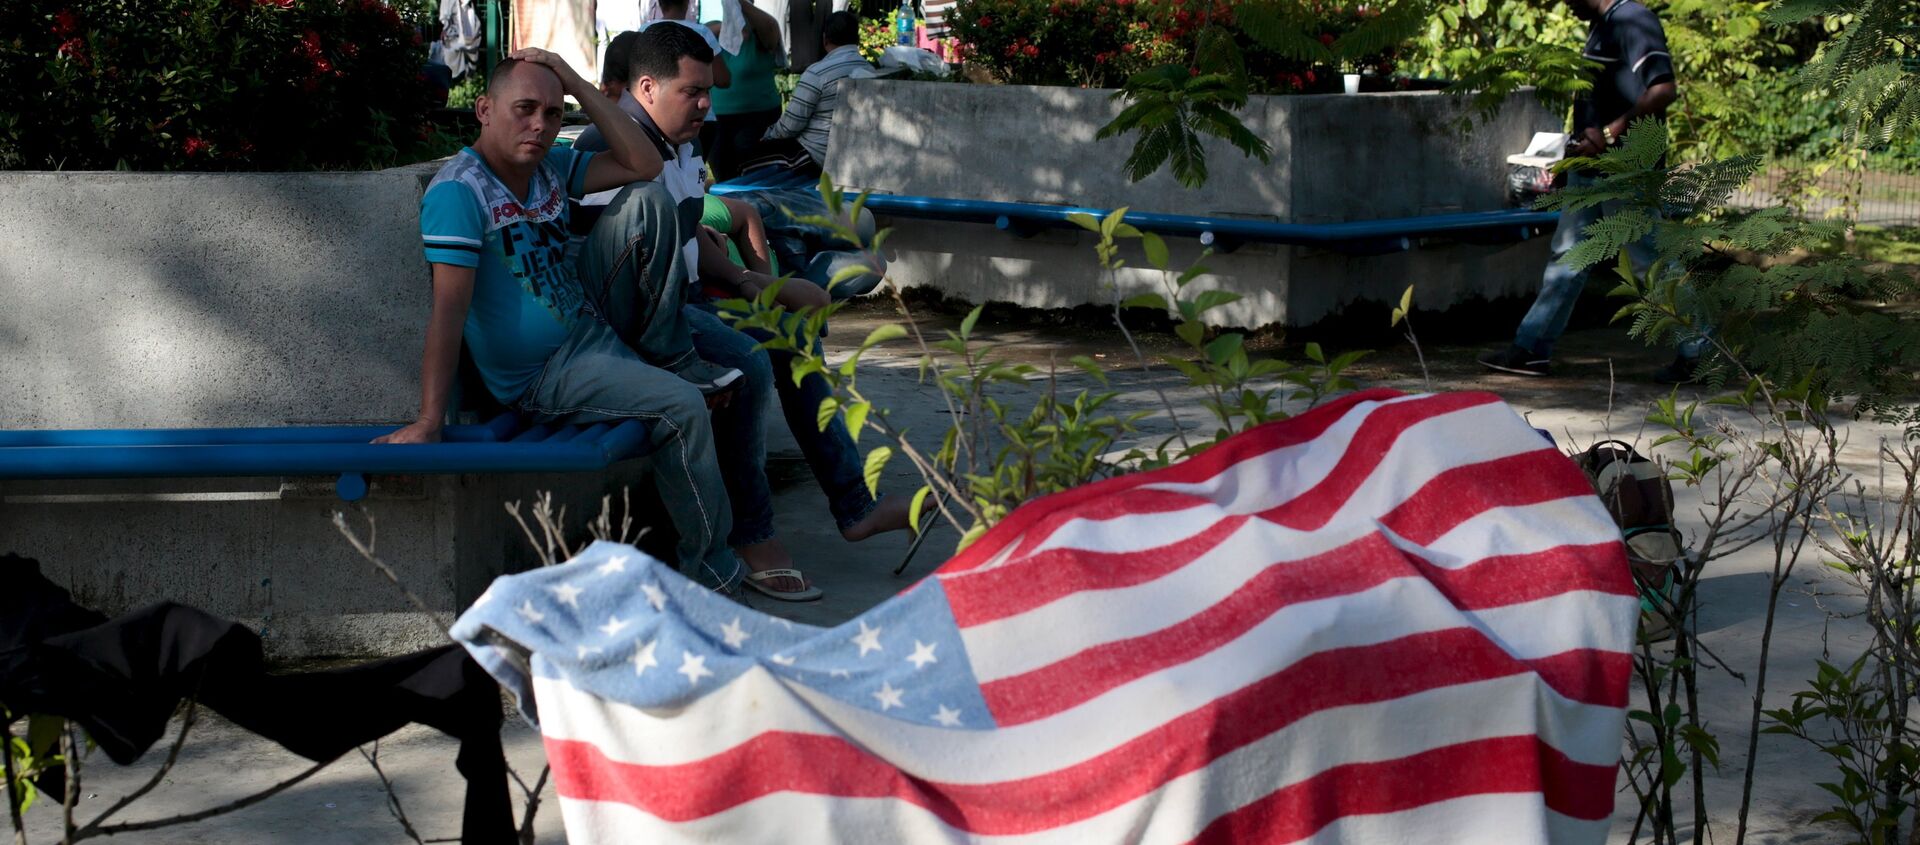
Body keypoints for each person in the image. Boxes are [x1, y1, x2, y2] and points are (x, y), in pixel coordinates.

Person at [378, 50, 747, 591]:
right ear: (483, 109)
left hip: (589, 322)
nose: (540, 125)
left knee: (647, 199)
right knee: (684, 406)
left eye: (553, 114)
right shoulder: (460, 192)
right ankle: (712, 568)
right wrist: (430, 421)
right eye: (524, 109)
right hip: (543, 374)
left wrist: (573, 80)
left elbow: (647, 166)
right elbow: (448, 312)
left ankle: (674, 357)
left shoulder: (548, 166)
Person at [574, 24, 912, 601]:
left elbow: (688, 233)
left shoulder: (676, 140)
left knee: (792, 334)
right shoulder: (611, 148)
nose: (708, 104)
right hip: (632, 321)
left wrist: (754, 283)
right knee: (750, 363)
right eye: (694, 92)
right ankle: (753, 539)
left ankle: (855, 508)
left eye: (708, 90)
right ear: (648, 87)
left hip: (690, 299)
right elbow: (629, 271)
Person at [1477, 0, 1693, 382]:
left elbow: (1663, 88)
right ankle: (1531, 348)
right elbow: (1595, 102)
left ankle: (1702, 353)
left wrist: (1610, 133)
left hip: (1626, 167)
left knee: (1649, 260)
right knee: (1568, 258)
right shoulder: (1602, 25)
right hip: (1590, 170)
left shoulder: (1632, 19)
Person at [753, 10, 872, 176]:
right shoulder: (870, 70)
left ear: (825, 39)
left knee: (746, 158)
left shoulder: (818, 73)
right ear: (857, 39)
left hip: (815, 157)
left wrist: (767, 137)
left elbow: (788, 127)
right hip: (855, 155)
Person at [707, 0, 785, 180]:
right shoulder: (712, 30)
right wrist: (728, 28)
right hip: (718, 120)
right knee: (724, 178)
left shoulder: (763, 29)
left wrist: (741, 4)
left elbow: (771, 28)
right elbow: (697, 34)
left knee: (755, 178)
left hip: (758, 116)